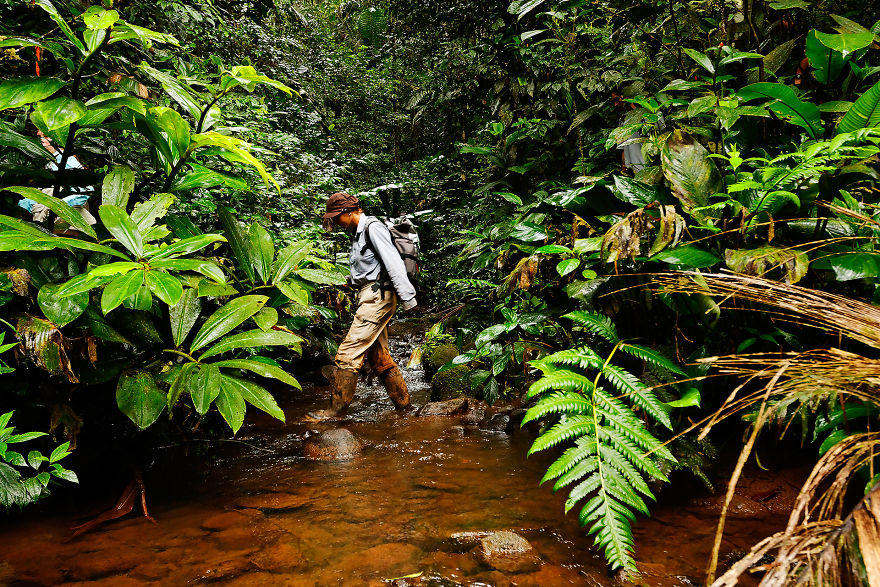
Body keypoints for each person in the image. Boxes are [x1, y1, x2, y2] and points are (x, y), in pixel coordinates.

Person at [307, 192, 417, 420]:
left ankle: (335, 412)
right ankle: (405, 409)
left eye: (336, 217)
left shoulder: (372, 228)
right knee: (379, 358)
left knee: (348, 352)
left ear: (347, 212)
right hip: (370, 294)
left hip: (378, 296)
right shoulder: (358, 234)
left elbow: (393, 263)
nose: (335, 222)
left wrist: (409, 299)